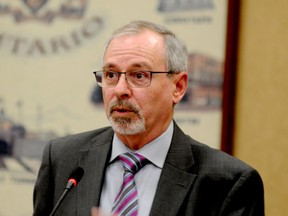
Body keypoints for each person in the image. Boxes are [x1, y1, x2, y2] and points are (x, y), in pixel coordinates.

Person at [33, 20, 264, 216]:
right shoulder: (63, 159)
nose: (120, 89)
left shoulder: (228, 183)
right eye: (111, 75)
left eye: (139, 75)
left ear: (178, 87)